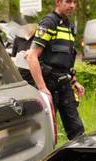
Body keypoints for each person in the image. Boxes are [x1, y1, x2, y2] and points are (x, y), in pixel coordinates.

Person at [26, 0, 86, 140]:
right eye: (68, 1)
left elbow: (67, 59)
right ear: (58, 2)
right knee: (46, 135)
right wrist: (42, 88)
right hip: (49, 86)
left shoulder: (69, 25)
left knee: (77, 131)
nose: (72, 5)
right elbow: (32, 57)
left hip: (65, 85)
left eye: (75, 2)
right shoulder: (49, 23)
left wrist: (74, 81)